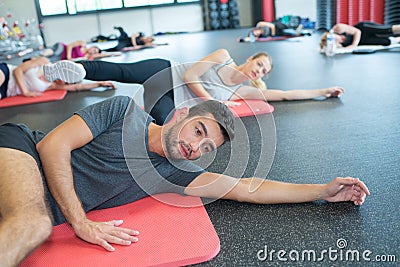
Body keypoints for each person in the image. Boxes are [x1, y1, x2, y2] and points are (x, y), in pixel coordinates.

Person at [0, 95, 370, 266]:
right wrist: (80, 223)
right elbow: (52, 146)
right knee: (33, 224)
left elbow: (246, 187)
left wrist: (321, 191)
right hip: (22, 151)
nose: (194, 146)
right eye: (197, 131)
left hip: (29, 201)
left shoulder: (174, 173)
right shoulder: (122, 112)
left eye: (205, 146)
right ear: (181, 114)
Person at [43, 49, 344, 124]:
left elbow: (286, 95)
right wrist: (215, 102)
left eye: (264, 70)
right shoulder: (224, 58)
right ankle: (79, 69)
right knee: (123, 70)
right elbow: (191, 76)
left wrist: (323, 91)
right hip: (167, 70)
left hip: (166, 95)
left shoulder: (241, 92)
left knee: (157, 122)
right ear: (250, 58)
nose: (259, 69)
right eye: (259, 62)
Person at [0, 57, 115, 99]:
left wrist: (99, 84)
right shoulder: (43, 62)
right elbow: (17, 70)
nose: (63, 81)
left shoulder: (53, 85)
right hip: (7, 73)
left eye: (66, 82)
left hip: (7, 92)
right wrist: (26, 92)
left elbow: (77, 87)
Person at [320, 21, 400, 51]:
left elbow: (357, 31)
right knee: (387, 42)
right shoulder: (339, 45)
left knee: (386, 30)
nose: (338, 40)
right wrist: (338, 46)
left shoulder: (338, 28)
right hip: (363, 40)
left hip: (363, 28)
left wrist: (353, 45)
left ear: (332, 34)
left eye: (335, 39)